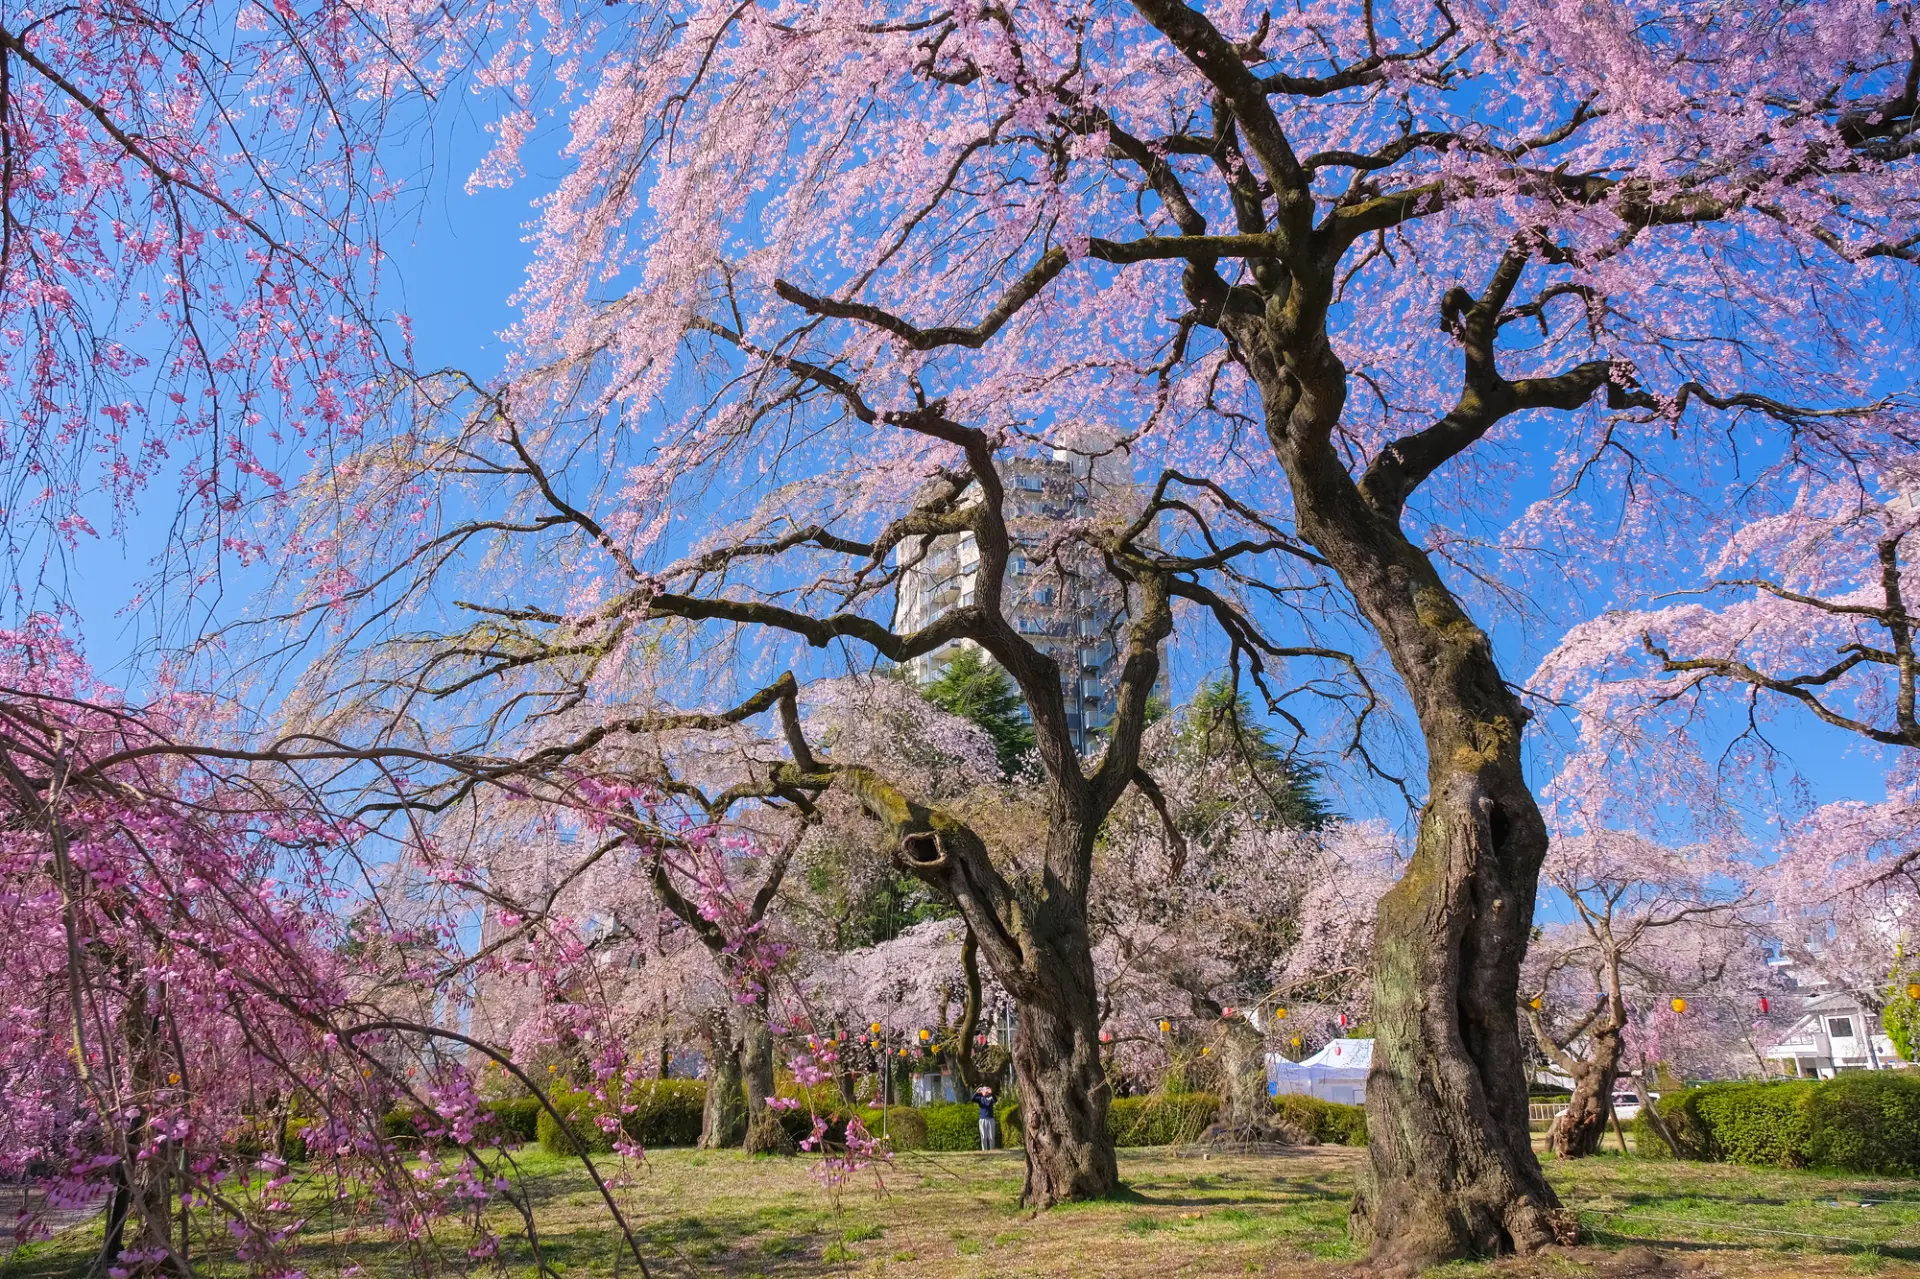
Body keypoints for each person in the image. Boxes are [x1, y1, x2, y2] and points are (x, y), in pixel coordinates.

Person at [974, 1085, 997, 1151]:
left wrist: (991, 1093)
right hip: (982, 1119)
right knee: (983, 1137)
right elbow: (972, 1099)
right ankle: (984, 1150)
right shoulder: (980, 1098)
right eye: (984, 1090)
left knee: (991, 1136)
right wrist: (977, 1092)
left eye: (987, 1090)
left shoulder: (990, 1098)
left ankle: (992, 1150)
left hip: (990, 1119)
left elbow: (995, 1100)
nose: (985, 1092)